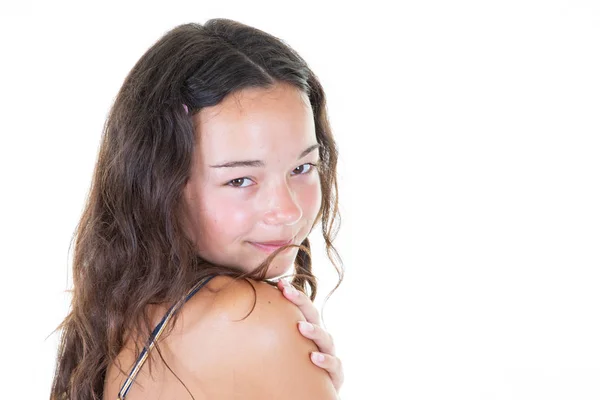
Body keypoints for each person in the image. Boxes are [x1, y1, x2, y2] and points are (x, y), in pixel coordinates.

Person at [49, 18, 344, 399]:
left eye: (302, 168)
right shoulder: (253, 321)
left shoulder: (131, 314)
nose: (287, 211)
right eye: (240, 180)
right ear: (162, 185)